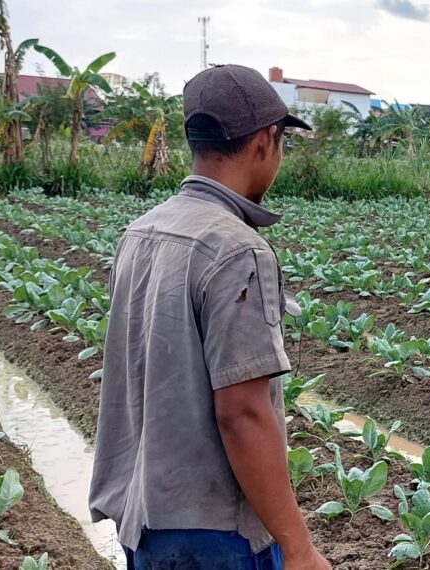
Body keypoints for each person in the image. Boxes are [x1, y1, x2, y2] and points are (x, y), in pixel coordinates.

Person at [89, 64, 330, 570]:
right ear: (265, 141)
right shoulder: (237, 249)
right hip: (215, 532)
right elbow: (241, 412)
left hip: (143, 516)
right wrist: (299, 548)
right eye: (283, 142)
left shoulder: (141, 232)